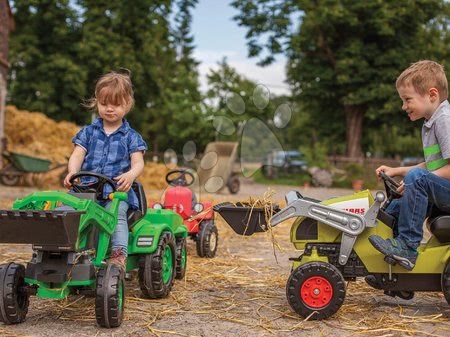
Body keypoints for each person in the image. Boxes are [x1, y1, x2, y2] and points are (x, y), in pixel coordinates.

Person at [369, 60, 450, 271]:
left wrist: (415, 181)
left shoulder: (444, 120)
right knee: (396, 204)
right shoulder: (431, 121)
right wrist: (396, 171)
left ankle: (407, 246)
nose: (404, 106)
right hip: (444, 189)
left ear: (432, 95)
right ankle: (394, 269)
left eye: (407, 100)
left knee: (415, 182)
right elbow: (433, 166)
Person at [64, 70, 148, 270]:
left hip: (116, 193)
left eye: (116, 104)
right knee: (65, 211)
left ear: (127, 104)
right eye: (104, 104)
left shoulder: (131, 137)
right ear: (96, 103)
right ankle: (64, 249)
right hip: (85, 190)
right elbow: (77, 155)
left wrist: (130, 174)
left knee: (116, 214)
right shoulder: (88, 132)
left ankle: (119, 254)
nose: (109, 109)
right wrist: (72, 172)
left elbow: (138, 163)